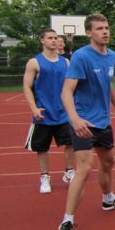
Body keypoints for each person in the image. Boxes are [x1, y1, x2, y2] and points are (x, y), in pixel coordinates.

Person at [58, 14, 115, 230]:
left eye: (107, 27)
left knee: (108, 161)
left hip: (103, 122)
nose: (105, 31)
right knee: (84, 168)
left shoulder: (112, 56)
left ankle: (108, 198)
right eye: (99, 28)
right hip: (84, 123)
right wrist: (75, 119)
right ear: (89, 33)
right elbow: (66, 91)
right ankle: (67, 221)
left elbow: (107, 83)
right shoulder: (81, 57)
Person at [22, 28, 75, 193]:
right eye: (50, 38)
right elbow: (26, 86)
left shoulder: (65, 62)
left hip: (63, 112)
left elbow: (70, 86)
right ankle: (45, 177)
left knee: (72, 142)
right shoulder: (34, 62)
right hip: (43, 113)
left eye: (56, 38)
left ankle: (69, 171)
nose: (54, 40)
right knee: (42, 148)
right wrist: (33, 108)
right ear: (42, 40)